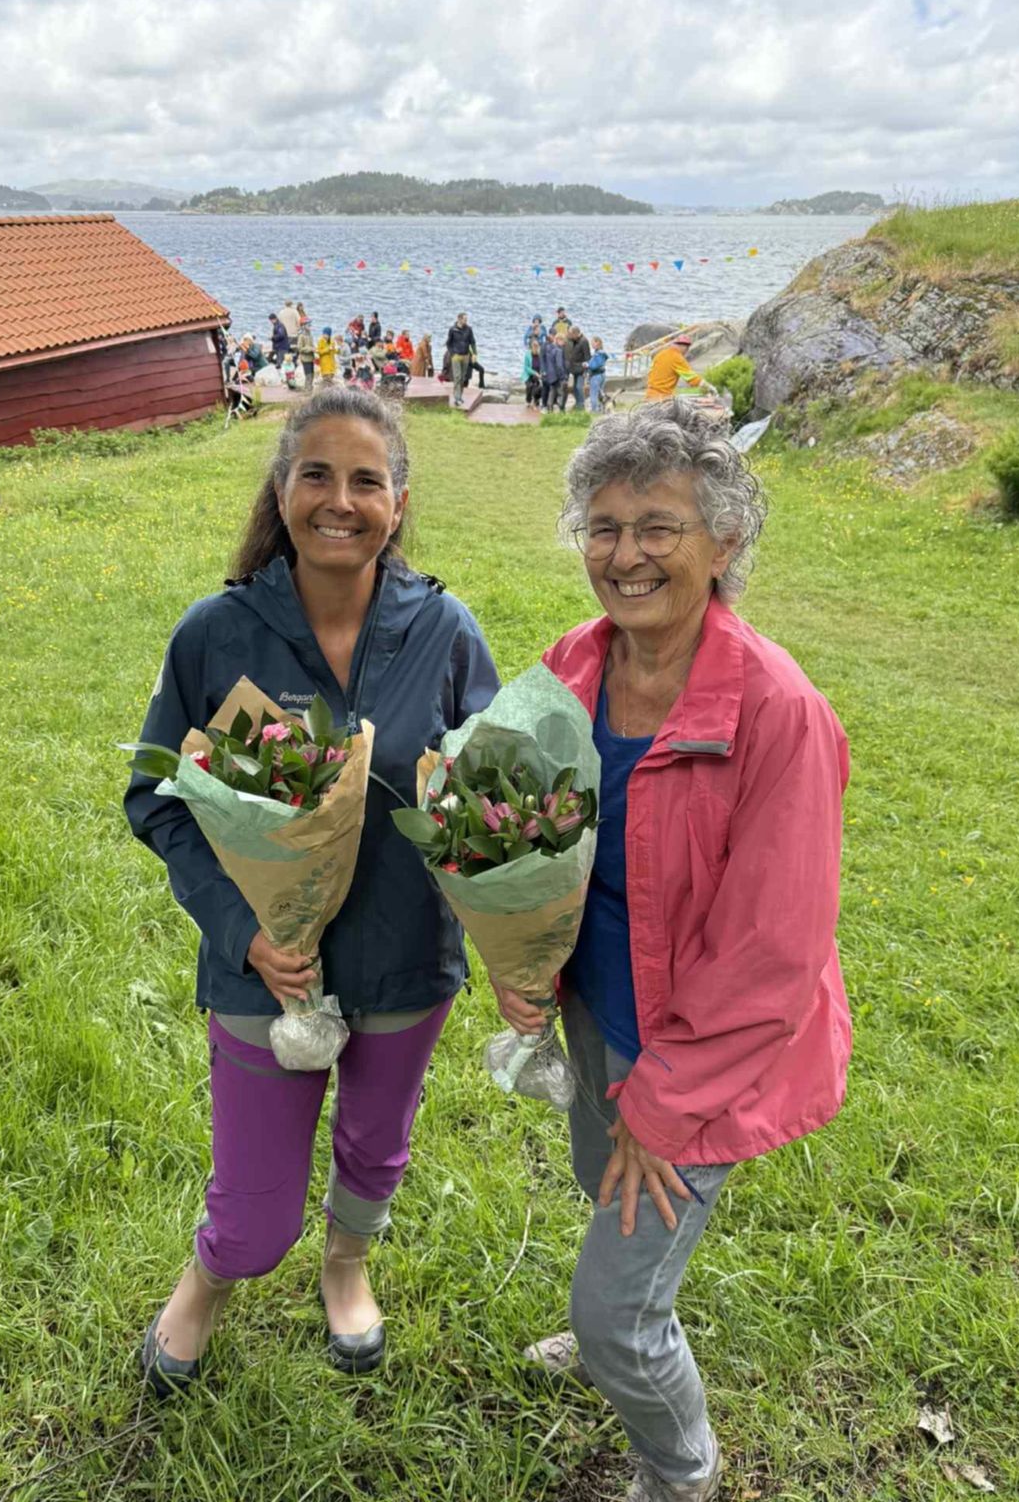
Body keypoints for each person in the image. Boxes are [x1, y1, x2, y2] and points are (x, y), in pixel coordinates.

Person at [497, 401, 851, 1502]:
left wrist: (664, 1106)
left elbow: (771, 961)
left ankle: (680, 1465)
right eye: (603, 527)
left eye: (659, 527)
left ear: (724, 541)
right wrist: (518, 957)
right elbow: (523, 835)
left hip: (707, 1055)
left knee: (615, 1310)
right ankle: (626, 1308)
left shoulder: (778, 713)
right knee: (594, 1181)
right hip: (599, 1011)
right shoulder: (572, 667)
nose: (625, 555)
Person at [129, 387, 500, 1398]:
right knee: (255, 1211)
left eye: (366, 481)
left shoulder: (446, 631)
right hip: (265, 969)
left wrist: (524, 936)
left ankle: (346, 1267)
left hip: (404, 959)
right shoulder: (217, 634)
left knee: (375, 1149)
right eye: (317, 475)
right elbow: (156, 798)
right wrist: (242, 931)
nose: (341, 501)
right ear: (282, 487)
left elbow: (490, 802)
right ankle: (213, 1275)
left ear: (399, 500)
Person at [644, 334, 711, 402]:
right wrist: (708, 387)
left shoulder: (661, 354)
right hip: (662, 398)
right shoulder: (677, 357)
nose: (687, 351)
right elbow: (692, 379)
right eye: (687, 348)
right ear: (684, 347)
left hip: (650, 395)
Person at [445, 313, 476, 407]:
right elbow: (448, 343)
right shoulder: (452, 329)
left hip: (466, 356)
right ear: (459, 319)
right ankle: (457, 397)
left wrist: (474, 354)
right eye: (464, 319)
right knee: (457, 377)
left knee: (463, 378)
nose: (466, 321)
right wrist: (452, 353)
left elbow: (472, 342)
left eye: (466, 319)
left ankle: (460, 396)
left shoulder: (469, 329)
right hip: (456, 356)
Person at [565, 325, 592, 410]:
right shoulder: (574, 340)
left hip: (581, 369)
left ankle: (581, 404)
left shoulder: (584, 341)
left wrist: (586, 371)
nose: (570, 336)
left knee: (579, 387)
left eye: (571, 334)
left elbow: (587, 357)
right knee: (574, 388)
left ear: (575, 333)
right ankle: (577, 403)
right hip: (575, 368)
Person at [540, 332, 567, 411]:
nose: (564, 344)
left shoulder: (549, 349)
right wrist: (563, 376)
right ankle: (561, 409)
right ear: (559, 340)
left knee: (552, 391)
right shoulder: (558, 351)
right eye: (563, 341)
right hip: (557, 375)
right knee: (560, 392)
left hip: (550, 374)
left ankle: (549, 407)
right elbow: (559, 365)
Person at [587, 336, 610, 412]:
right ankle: (600, 408)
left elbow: (594, 366)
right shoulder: (602, 353)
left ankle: (594, 410)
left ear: (597, 343)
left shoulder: (598, 354)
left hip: (596, 375)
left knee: (594, 394)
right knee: (600, 393)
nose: (591, 345)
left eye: (592, 343)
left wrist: (587, 365)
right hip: (602, 374)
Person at [522, 340, 543, 408]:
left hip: (538, 375)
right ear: (531, 347)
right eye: (534, 346)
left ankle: (536, 400)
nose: (535, 348)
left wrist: (541, 373)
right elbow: (526, 367)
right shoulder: (527, 354)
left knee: (539, 387)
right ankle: (528, 400)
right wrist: (534, 373)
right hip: (528, 374)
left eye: (537, 346)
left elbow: (543, 365)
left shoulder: (540, 354)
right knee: (529, 386)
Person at [296, 321, 316, 391]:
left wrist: (315, 348)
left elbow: (312, 345)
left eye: (310, 325)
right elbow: (300, 348)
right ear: (304, 326)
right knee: (308, 375)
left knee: (312, 374)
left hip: (311, 357)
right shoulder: (301, 336)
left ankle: (309, 387)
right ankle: (307, 389)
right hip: (305, 358)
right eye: (308, 325)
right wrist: (310, 349)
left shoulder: (310, 335)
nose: (310, 327)